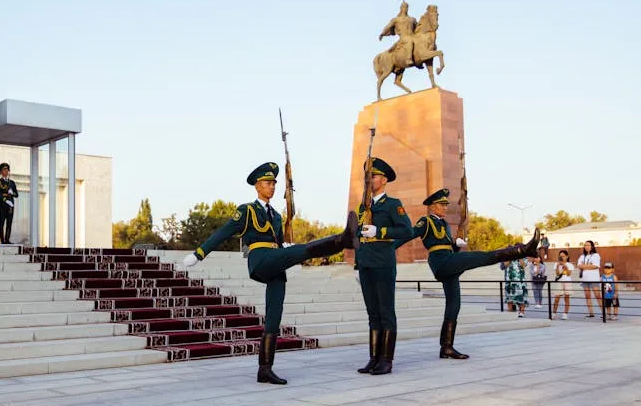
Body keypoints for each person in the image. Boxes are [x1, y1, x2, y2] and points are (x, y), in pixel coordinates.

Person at [182, 162, 360, 385]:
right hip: (261, 261)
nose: (272, 187)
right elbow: (223, 233)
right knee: (301, 251)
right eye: (268, 183)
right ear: (257, 186)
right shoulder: (246, 210)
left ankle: (265, 369)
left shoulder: (276, 216)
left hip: (276, 262)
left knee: (274, 315)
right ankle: (342, 240)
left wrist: (284, 246)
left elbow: (277, 242)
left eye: (274, 183)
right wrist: (199, 254)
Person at [394, 189, 542, 360]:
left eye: (445, 205)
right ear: (433, 207)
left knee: (454, 305)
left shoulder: (444, 224)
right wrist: (387, 250)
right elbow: (408, 235)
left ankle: (446, 348)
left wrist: (456, 244)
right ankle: (522, 250)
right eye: (442, 205)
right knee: (482, 257)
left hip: (450, 261)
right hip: (441, 263)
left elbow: (448, 246)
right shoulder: (425, 222)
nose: (445, 208)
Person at [354, 157, 415, 376]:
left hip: (383, 263)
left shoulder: (392, 204)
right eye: (368, 177)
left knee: (386, 312)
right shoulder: (364, 206)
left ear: (385, 180)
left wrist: (380, 232)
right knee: (373, 313)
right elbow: (358, 237)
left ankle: (386, 360)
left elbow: (407, 231)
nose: (370, 180)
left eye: (375, 176)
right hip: (366, 263)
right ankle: (373, 358)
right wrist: (357, 264)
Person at [577, 240, 603, 318]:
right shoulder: (582, 256)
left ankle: (604, 312)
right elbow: (579, 265)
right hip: (585, 279)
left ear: (592, 246)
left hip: (594, 278)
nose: (586, 247)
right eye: (585, 245)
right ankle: (591, 313)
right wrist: (589, 265)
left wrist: (584, 266)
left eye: (588, 245)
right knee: (587, 296)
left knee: (597, 295)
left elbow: (595, 266)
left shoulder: (596, 255)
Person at [0, 163, 19, 245]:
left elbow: (16, 195)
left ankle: (7, 240)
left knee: (9, 222)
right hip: (3, 204)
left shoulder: (12, 183)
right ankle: (2, 240)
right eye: (4, 170)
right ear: (1, 172)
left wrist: (12, 193)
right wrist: (5, 199)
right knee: (2, 222)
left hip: (10, 204)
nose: (6, 171)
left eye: (7, 170)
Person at [552, 250, 574, 320]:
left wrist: (565, 266)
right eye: (560, 256)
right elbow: (557, 274)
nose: (562, 257)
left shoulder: (570, 264)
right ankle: (553, 313)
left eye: (563, 256)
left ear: (567, 256)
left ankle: (565, 313)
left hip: (567, 282)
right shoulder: (556, 264)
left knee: (566, 298)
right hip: (560, 282)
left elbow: (568, 274)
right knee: (556, 298)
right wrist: (558, 265)